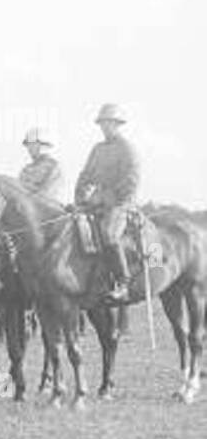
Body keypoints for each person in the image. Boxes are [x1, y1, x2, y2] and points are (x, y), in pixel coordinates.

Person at [75, 103, 140, 301]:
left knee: (109, 234)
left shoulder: (126, 148)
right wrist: (80, 196)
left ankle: (123, 282)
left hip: (120, 204)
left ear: (118, 124)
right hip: (96, 204)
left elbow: (132, 179)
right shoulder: (97, 149)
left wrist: (106, 196)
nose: (105, 127)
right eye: (102, 123)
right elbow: (85, 175)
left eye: (109, 123)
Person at [18, 128, 64, 202]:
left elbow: (47, 195)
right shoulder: (26, 170)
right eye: (28, 145)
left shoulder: (54, 168)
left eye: (32, 144)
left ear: (43, 145)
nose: (29, 148)